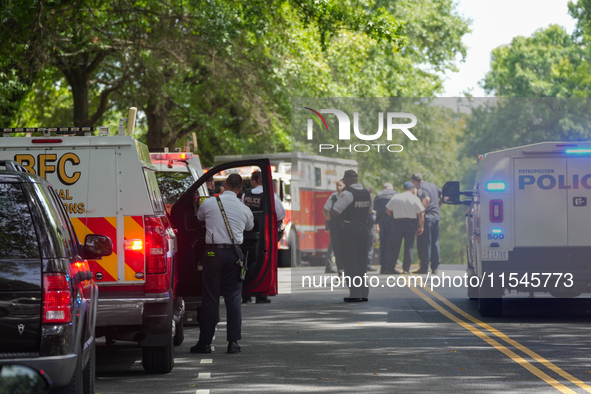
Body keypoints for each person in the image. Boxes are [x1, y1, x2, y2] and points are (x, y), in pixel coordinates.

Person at [190, 173, 254, 354]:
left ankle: (205, 343)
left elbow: (200, 218)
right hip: (235, 254)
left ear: (224, 185)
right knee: (233, 298)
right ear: (240, 189)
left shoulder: (209, 203)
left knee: (210, 298)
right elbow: (249, 227)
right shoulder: (244, 208)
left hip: (212, 253)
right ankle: (233, 342)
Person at [242, 170, 286, 303]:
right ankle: (261, 294)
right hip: (265, 235)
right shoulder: (270, 195)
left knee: (246, 262)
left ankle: (246, 294)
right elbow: (281, 214)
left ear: (254, 181)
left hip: (247, 234)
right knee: (265, 261)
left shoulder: (245, 195)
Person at [330, 170, 372, 302]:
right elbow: (369, 211)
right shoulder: (367, 194)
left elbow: (336, 211)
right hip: (363, 229)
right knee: (361, 261)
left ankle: (355, 293)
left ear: (347, 180)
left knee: (350, 261)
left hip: (349, 230)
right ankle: (364, 292)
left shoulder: (347, 194)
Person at [385, 182, 425, 275]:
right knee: (409, 247)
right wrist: (421, 226)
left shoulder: (396, 197)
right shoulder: (414, 198)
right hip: (410, 224)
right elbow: (421, 213)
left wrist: (394, 217)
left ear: (403, 189)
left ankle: (390, 268)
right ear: (412, 189)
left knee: (394, 246)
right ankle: (406, 269)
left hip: (397, 223)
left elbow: (387, 209)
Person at [411, 173, 442, 275]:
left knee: (424, 243)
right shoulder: (433, 186)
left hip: (427, 218)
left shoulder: (421, 188)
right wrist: (438, 206)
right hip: (436, 217)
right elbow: (444, 196)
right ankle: (435, 267)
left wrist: (422, 212)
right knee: (435, 242)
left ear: (415, 181)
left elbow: (426, 199)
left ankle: (424, 267)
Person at [374, 183, 397, 274]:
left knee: (383, 243)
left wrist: (376, 223)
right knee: (391, 243)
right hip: (392, 219)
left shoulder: (378, 195)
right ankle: (390, 266)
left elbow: (375, 209)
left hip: (381, 220)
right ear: (392, 188)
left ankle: (383, 267)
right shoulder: (395, 194)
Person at [323, 180, 345, 273]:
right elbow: (325, 209)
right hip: (335, 225)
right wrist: (328, 217)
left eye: (340, 185)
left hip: (345, 224)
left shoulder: (347, 195)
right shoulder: (333, 197)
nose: (338, 188)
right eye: (337, 186)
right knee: (334, 245)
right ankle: (334, 267)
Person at [366, 187, 377, 272]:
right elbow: (373, 216)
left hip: (362, 226)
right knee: (369, 247)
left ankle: (364, 264)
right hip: (369, 226)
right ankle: (368, 265)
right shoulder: (371, 201)